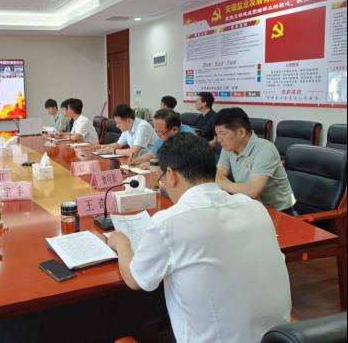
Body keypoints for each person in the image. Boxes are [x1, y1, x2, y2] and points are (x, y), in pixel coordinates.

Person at [107, 133, 292, 343]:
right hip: (278, 338)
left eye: (162, 178)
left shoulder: (169, 222)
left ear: (171, 174)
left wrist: (121, 243)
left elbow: (134, 280)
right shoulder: (255, 207)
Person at [214, 107, 297, 213]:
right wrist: (243, 190)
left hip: (279, 212)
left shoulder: (265, 149)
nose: (219, 139)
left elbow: (252, 191)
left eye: (223, 133)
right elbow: (217, 174)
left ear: (241, 132)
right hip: (250, 205)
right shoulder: (229, 147)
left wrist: (222, 183)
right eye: (217, 134)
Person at [131, 109, 195, 168]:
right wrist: (135, 161)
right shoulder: (165, 132)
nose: (158, 135)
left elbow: (180, 163)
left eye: (160, 132)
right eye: (156, 131)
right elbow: (152, 154)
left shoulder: (187, 137)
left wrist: (154, 164)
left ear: (174, 129)